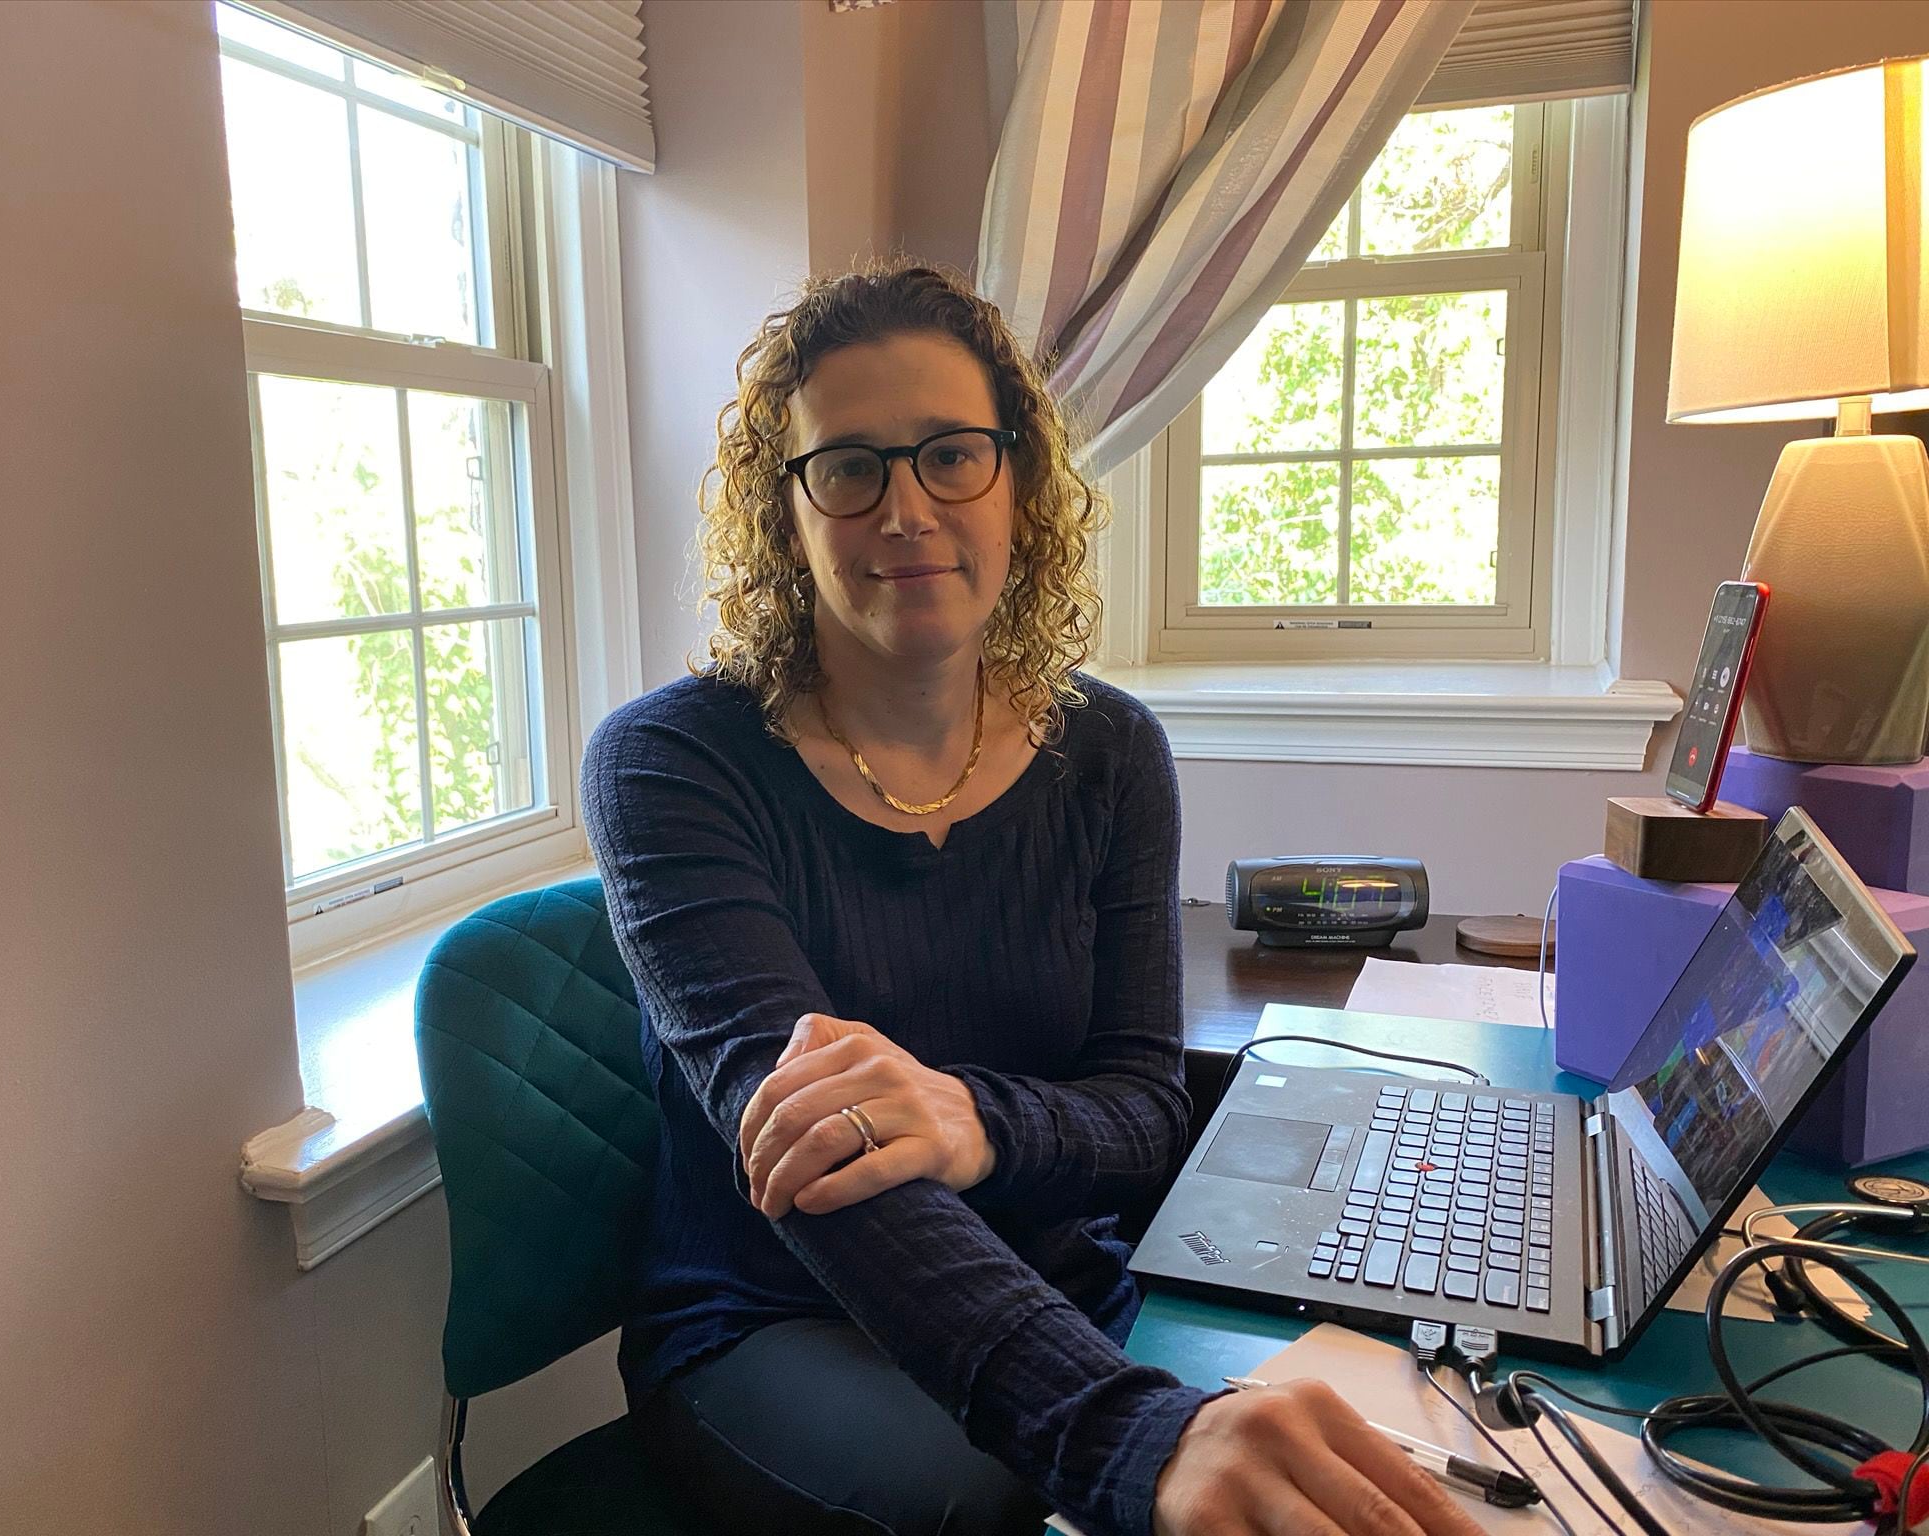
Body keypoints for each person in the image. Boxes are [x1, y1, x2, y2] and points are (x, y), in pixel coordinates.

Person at [581, 260, 1480, 1536]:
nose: (905, 511)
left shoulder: (1109, 753)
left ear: (1018, 485)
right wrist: (1126, 1433)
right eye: (849, 468)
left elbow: (1143, 1110)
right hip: (774, 1319)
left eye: (950, 455)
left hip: (1058, 1296)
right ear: (786, 513)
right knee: (1017, 1508)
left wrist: (974, 1124)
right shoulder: (667, 763)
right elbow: (816, 1155)